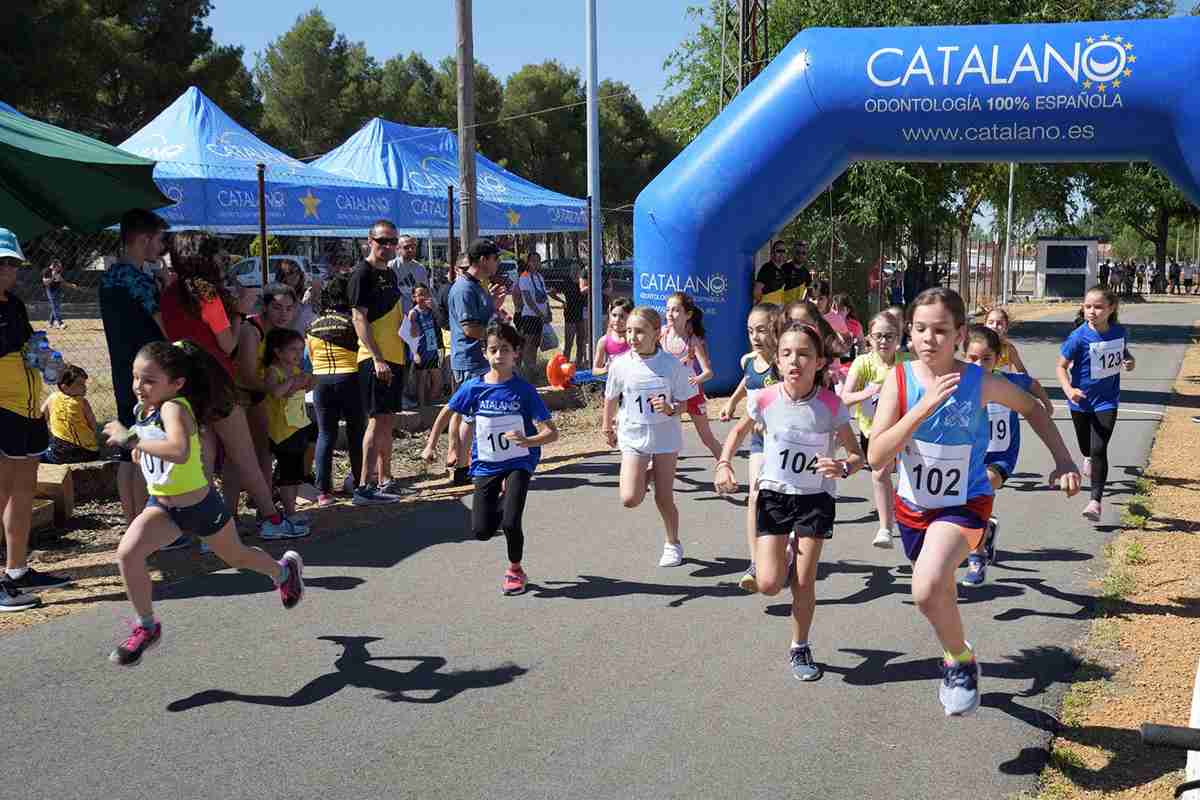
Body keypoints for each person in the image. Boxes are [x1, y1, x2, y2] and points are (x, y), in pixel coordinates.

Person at [868, 287, 1080, 716]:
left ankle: (961, 665)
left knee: (926, 590)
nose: (930, 338)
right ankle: (957, 653)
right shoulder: (899, 380)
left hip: (965, 502)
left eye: (941, 330)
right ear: (909, 333)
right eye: (921, 329)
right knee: (939, 592)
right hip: (914, 509)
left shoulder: (977, 381)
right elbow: (876, 456)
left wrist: (1062, 459)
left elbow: (1034, 408)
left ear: (960, 333)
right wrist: (921, 409)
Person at [102, 341, 305, 666]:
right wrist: (142, 451)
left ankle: (283, 573)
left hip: (201, 508)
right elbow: (159, 451)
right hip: (164, 508)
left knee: (237, 556)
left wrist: (131, 440)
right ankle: (146, 626)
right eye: (136, 377)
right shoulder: (147, 408)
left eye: (149, 380)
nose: (139, 386)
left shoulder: (174, 407)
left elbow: (179, 450)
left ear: (177, 383)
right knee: (128, 554)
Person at [714, 322, 864, 681]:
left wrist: (842, 466)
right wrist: (723, 464)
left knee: (803, 580)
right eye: (786, 354)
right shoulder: (764, 399)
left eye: (804, 354)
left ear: (818, 362)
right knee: (768, 584)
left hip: (815, 499)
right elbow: (737, 433)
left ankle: (800, 646)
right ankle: (779, 556)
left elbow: (858, 454)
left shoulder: (830, 405)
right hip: (774, 496)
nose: (794, 360)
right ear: (778, 361)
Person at [161, 232, 301, 539]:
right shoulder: (207, 293)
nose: (220, 259)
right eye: (214, 253)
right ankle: (271, 520)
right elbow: (227, 344)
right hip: (215, 380)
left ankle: (208, 531)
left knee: (205, 459)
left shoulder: (169, 293)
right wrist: (239, 311)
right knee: (244, 455)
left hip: (184, 382)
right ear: (202, 257)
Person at [422, 321, 558, 595]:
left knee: (510, 521)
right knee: (482, 531)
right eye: (494, 349)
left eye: (505, 350)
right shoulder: (474, 387)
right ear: (485, 353)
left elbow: (551, 433)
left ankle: (515, 570)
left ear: (516, 353)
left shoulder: (524, 390)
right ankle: (500, 497)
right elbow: (446, 413)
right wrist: (431, 444)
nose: (499, 355)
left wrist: (528, 441)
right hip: (486, 463)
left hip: (520, 460)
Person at [0, 229, 72, 612]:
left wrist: (45, 356)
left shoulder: (13, 304)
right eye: (2, 263)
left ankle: (17, 570)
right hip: (3, 409)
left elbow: (29, 346)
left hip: (28, 408)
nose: (8, 270)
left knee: (22, 492)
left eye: (10, 263)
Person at [958, 325, 1054, 587]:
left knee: (980, 490)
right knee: (966, 505)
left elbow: (1032, 383)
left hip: (1001, 457)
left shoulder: (1007, 381)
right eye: (972, 358)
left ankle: (976, 559)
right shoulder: (959, 384)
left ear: (998, 358)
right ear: (963, 355)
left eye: (986, 359)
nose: (978, 365)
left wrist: (1046, 404)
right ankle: (985, 529)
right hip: (967, 457)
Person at [602, 306, 697, 567]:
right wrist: (606, 427)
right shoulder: (620, 364)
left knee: (663, 496)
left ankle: (672, 543)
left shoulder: (671, 365)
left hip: (665, 435)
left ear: (657, 333)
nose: (633, 337)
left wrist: (670, 408)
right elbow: (610, 397)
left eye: (640, 331)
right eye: (629, 331)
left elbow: (684, 404)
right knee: (630, 499)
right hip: (633, 434)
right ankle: (649, 472)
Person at [100, 209, 168, 525]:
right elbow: (163, 325)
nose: (161, 245)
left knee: (128, 449)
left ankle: (132, 521)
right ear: (143, 239)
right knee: (146, 446)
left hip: (122, 369)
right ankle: (147, 525)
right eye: (158, 238)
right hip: (150, 372)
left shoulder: (109, 277)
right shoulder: (140, 281)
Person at [233, 283, 311, 535]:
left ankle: (265, 511)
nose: (283, 313)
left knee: (265, 457)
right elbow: (245, 375)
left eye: (289, 308)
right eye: (276, 307)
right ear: (264, 306)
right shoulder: (252, 330)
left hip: (267, 402)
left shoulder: (282, 333)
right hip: (244, 398)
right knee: (243, 461)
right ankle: (241, 516)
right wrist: (280, 388)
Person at [1057, 285, 1134, 523]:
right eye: (1088, 306)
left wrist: (1129, 361)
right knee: (1086, 447)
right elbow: (1060, 366)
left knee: (1100, 448)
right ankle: (1088, 458)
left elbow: (1124, 354)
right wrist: (1069, 389)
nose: (1092, 311)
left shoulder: (1119, 332)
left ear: (1111, 309)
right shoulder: (1078, 337)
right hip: (1080, 402)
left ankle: (1095, 501)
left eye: (1098, 307)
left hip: (1107, 401)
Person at [717, 303, 780, 591]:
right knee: (755, 497)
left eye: (762, 330)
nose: (755, 336)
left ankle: (784, 552)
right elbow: (748, 381)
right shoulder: (748, 361)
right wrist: (732, 401)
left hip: (787, 444)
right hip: (759, 443)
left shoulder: (783, 364)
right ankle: (755, 563)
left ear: (777, 330)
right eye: (750, 331)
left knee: (783, 502)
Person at [349, 220, 410, 503]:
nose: (387, 246)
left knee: (387, 421)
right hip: (376, 360)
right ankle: (364, 486)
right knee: (375, 422)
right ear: (369, 240)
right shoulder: (362, 272)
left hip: (395, 357)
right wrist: (377, 358)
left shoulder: (391, 273)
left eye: (392, 242)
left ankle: (385, 479)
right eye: (382, 241)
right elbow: (359, 317)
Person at [840, 310, 913, 548]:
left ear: (899, 338)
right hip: (873, 432)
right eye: (878, 336)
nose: (883, 341)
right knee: (881, 473)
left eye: (889, 336)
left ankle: (907, 518)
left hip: (906, 430)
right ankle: (885, 528)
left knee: (905, 476)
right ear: (869, 338)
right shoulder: (863, 363)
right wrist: (869, 392)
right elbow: (844, 398)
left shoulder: (908, 363)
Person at [447, 239, 507, 485]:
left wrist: (495, 307)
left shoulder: (478, 286)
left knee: (474, 417)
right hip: (470, 360)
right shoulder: (464, 289)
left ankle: (467, 463)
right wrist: (499, 337)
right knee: (471, 417)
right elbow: (471, 329)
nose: (497, 263)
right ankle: (462, 468)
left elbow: (483, 317)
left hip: (480, 359)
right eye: (495, 258)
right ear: (483, 260)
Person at [307, 273, 369, 506]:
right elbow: (362, 350)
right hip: (349, 378)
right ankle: (359, 485)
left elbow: (310, 356)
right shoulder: (352, 321)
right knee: (356, 433)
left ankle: (323, 492)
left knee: (326, 434)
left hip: (321, 382)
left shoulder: (312, 324)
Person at [661, 292, 723, 460]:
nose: (670, 314)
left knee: (706, 438)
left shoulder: (693, 341)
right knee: (663, 439)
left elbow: (708, 372)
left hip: (693, 395)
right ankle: (653, 476)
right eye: (667, 310)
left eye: (675, 310)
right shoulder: (661, 335)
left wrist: (697, 379)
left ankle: (725, 466)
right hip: (670, 396)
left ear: (688, 315)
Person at [263, 328, 316, 522]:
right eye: (293, 349)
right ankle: (289, 512)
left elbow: (307, 386)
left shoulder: (296, 370)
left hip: (297, 427)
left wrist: (309, 380)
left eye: (301, 349)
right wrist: (294, 381)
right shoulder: (273, 371)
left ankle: (292, 509)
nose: (298, 354)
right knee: (286, 475)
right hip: (281, 431)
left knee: (295, 473)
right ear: (278, 352)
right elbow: (276, 392)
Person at [390, 235, 429, 409]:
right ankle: (396, 395)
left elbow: (425, 295)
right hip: (395, 322)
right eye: (406, 247)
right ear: (398, 248)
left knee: (412, 360)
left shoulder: (420, 269)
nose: (410, 250)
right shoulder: (391, 267)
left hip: (414, 322)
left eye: (413, 247)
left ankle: (407, 393)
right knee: (397, 361)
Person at [41, 365, 100, 464]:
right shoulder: (83, 403)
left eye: (84, 384)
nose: (84, 387)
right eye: (80, 384)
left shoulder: (52, 398)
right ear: (65, 386)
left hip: (60, 454)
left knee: (38, 454)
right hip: (89, 453)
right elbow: (93, 425)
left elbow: (41, 420)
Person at [513, 251, 552, 373]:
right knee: (527, 343)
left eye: (538, 261)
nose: (535, 263)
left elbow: (544, 296)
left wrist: (548, 311)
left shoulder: (539, 277)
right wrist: (539, 314)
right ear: (528, 262)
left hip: (540, 317)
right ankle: (524, 369)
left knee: (535, 343)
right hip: (529, 316)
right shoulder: (524, 277)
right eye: (533, 261)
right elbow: (528, 299)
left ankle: (532, 367)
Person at [406, 284, 442, 408]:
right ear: (414, 297)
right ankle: (423, 407)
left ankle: (428, 402)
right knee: (421, 382)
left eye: (426, 294)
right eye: (420, 294)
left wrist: (435, 308)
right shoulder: (413, 313)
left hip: (432, 349)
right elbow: (411, 336)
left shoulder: (430, 311)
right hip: (420, 351)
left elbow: (440, 322)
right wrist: (415, 354)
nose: (424, 297)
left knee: (437, 381)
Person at [592, 297, 633, 375]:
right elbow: (595, 370)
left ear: (630, 316)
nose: (617, 320)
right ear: (609, 315)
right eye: (614, 315)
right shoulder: (604, 341)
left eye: (622, 316)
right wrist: (607, 369)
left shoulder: (634, 339)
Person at [983, 308, 1028, 373]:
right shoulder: (977, 347)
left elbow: (1022, 371)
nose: (994, 326)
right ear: (985, 325)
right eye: (991, 322)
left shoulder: (1008, 348)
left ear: (1006, 328)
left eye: (999, 323)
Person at [561, 266, 589, 368]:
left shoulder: (582, 283)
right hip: (570, 313)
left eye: (577, 270)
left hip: (580, 313)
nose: (575, 272)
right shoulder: (566, 281)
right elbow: (552, 292)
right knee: (569, 341)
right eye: (574, 270)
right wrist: (562, 301)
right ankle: (565, 363)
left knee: (581, 339)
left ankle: (579, 362)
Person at [42, 259, 78, 329]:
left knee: (56, 307)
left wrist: (71, 285)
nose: (60, 268)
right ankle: (60, 323)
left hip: (58, 290)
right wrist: (53, 276)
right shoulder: (46, 271)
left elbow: (62, 280)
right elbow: (45, 282)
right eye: (58, 266)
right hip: (50, 291)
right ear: (54, 265)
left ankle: (50, 323)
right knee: (55, 307)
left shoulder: (57, 271)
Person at [754, 241, 791, 305]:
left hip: (777, 310)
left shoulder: (784, 270)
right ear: (773, 253)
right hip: (766, 309)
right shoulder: (766, 268)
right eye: (779, 251)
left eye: (783, 251)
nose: (781, 254)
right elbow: (756, 292)